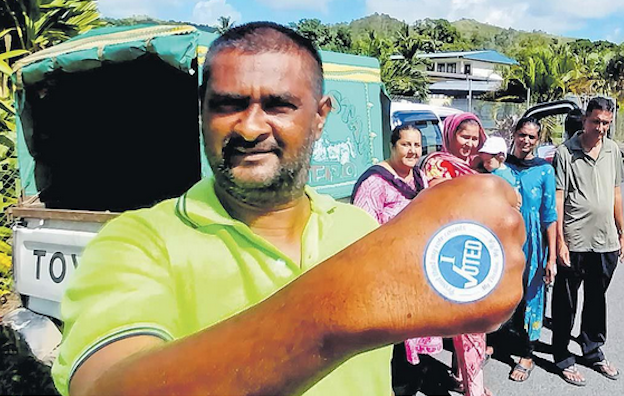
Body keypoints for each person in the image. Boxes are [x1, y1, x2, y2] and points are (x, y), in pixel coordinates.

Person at [51, 22, 526, 396]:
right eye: (228, 104)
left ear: (320, 116)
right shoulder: (137, 242)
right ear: (201, 114)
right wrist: (345, 302)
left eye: (278, 105)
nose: (251, 126)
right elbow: (103, 386)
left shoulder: (358, 229)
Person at [351, 123, 439, 395]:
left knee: (418, 340)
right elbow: (362, 234)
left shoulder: (420, 178)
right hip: (388, 278)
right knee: (396, 345)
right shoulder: (375, 182)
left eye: (416, 145)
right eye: (406, 144)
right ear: (392, 146)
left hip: (419, 274)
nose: (412, 150)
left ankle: (412, 384)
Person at [552, 96, 624, 386]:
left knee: (597, 298)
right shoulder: (565, 152)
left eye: (606, 123)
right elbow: (558, 197)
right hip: (575, 239)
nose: (601, 128)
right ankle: (562, 355)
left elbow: (617, 193)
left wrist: (622, 231)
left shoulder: (613, 150)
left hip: (605, 240)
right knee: (565, 301)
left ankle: (592, 348)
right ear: (584, 120)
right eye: (596, 121)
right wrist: (559, 240)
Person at [420, 113, 492, 396]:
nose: (470, 144)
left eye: (475, 139)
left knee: (473, 322)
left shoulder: (473, 167)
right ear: (450, 134)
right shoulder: (437, 163)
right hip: (447, 251)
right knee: (469, 323)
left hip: (474, 249)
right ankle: (472, 387)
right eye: (465, 137)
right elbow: (437, 194)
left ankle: (466, 378)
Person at [504, 118, 557, 382]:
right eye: (522, 135)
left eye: (532, 137)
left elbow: (550, 215)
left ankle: (527, 354)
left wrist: (552, 258)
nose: (526, 141)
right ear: (514, 134)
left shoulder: (544, 171)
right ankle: (496, 342)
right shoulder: (500, 166)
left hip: (533, 243)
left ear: (538, 140)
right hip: (504, 241)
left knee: (532, 297)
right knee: (502, 294)